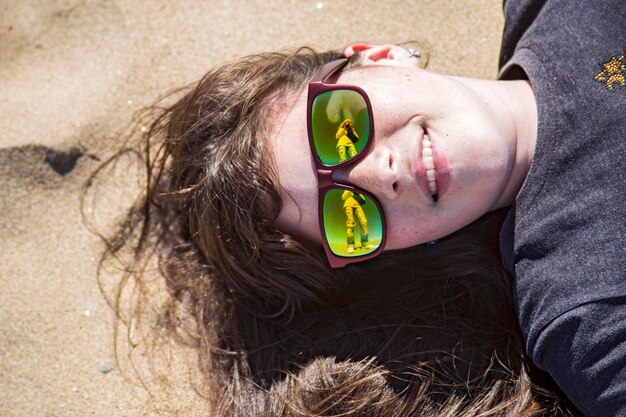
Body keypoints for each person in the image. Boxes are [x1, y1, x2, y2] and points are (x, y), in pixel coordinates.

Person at [93, 0, 624, 415]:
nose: (380, 175)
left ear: (378, 56)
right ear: (393, 251)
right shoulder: (585, 312)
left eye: (342, 128)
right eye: (350, 217)